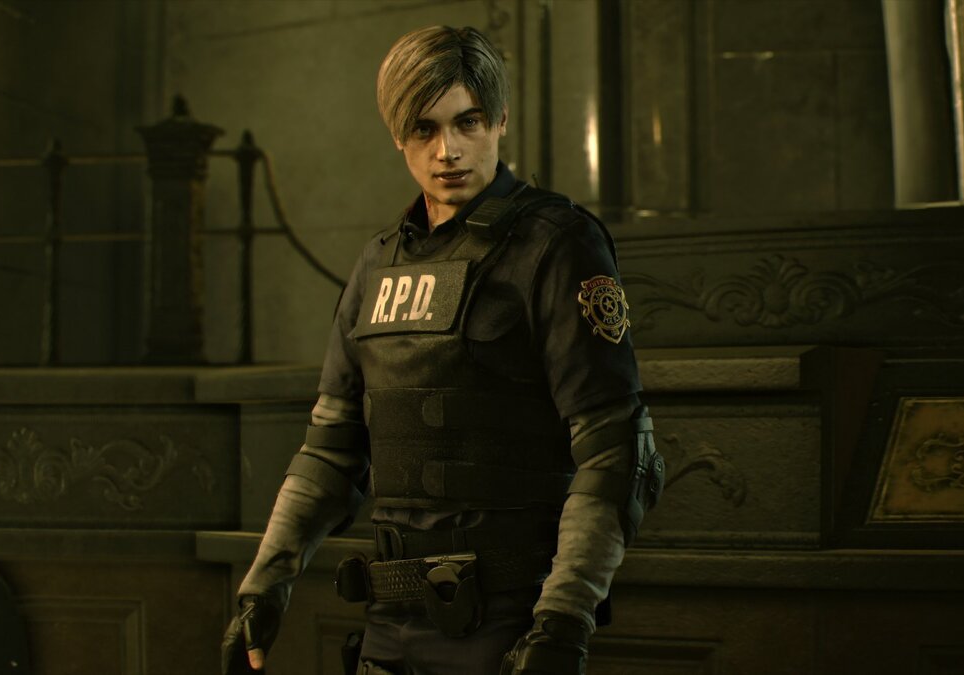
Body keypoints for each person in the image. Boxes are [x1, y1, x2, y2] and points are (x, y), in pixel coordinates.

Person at [222, 25, 664, 675]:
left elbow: (616, 451)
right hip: (389, 629)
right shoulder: (376, 264)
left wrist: (563, 619)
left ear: (500, 120)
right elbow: (330, 451)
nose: (447, 150)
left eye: (468, 122)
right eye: (423, 129)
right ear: (397, 136)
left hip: (509, 624)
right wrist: (264, 587)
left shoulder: (556, 243)